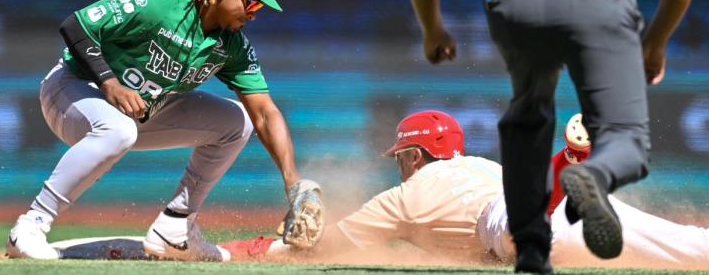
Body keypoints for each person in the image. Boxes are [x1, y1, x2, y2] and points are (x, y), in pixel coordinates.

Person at [408, 0, 699, 272]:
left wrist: (434, 31)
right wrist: (655, 44)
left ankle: (530, 253)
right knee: (625, 138)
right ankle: (595, 177)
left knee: (528, 117)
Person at [5, 0, 324, 261]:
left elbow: (265, 112)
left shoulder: (232, 45)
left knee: (237, 122)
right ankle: (30, 226)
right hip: (73, 91)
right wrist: (110, 82)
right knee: (118, 131)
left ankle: (176, 228)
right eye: (253, 3)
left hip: (138, 112)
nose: (255, 15)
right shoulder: (156, 1)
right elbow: (77, 26)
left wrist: (292, 181)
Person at [222, 111, 709, 271]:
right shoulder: (478, 164)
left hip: (519, 221)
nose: (400, 166)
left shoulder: (405, 199)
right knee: (685, 246)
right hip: (552, 204)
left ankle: (567, 166)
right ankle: (567, 168)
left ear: (414, 156)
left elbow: (324, 249)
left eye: (401, 157)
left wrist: (259, 248)